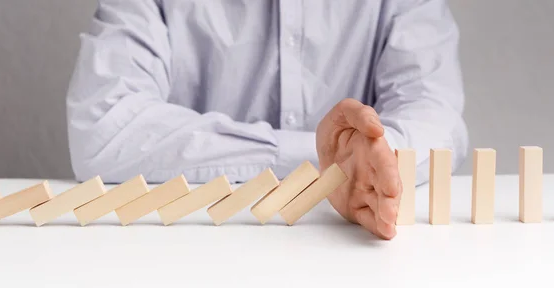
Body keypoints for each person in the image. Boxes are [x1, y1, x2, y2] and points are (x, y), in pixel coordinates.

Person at [67, 0, 468, 239]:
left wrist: (369, 162)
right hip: (188, 262)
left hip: (351, 262)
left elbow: (436, 118)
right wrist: (329, 163)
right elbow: (104, 129)